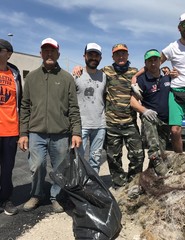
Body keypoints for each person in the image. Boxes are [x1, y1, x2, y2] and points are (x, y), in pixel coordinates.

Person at [18, 38, 82, 213]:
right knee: (36, 165)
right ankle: (36, 195)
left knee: (60, 168)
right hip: (36, 133)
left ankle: (56, 197)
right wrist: (23, 133)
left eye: (52, 50)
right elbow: (24, 107)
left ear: (58, 53)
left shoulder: (67, 78)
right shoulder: (31, 77)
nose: (49, 53)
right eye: (45, 50)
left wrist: (76, 132)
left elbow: (74, 108)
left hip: (61, 133)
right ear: (41, 53)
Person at [132, 12, 185, 153]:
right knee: (174, 130)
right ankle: (179, 160)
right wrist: (135, 76)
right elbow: (154, 64)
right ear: (179, 27)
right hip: (176, 92)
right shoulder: (172, 47)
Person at [73, 43, 145, 188]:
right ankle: (119, 184)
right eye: (117, 54)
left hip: (130, 122)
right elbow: (90, 72)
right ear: (112, 56)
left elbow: (150, 70)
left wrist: (167, 72)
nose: (121, 56)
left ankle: (133, 183)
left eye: (123, 53)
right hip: (111, 124)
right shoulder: (106, 71)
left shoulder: (134, 72)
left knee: (138, 156)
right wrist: (78, 67)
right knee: (113, 158)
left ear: (128, 55)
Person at [130, 49, 171, 175]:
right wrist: (144, 111)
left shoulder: (168, 77)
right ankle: (155, 158)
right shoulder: (142, 80)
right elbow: (133, 101)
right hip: (151, 118)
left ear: (160, 61)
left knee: (162, 150)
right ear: (145, 63)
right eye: (150, 61)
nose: (153, 63)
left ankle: (151, 176)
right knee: (155, 152)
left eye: (155, 60)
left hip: (166, 121)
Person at [75, 43, 106, 173]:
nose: (93, 58)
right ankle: (78, 187)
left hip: (100, 125)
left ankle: (93, 186)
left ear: (100, 58)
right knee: (78, 159)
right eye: (90, 55)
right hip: (81, 125)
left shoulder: (104, 76)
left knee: (96, 159)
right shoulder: (76, 75)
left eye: (96, 55)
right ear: (84, 56)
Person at [0, 39, 22, 215]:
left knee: (7, 169)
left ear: (8, 53)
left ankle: (6, 199)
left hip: (10, 130)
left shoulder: (14, 73)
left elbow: (20, 101)